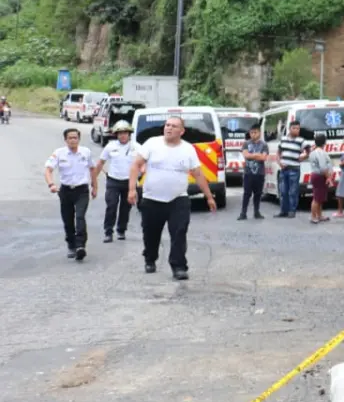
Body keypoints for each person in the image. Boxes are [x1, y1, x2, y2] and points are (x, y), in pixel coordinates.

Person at [127, 116, 217, 280]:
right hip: (152, 198)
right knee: (151, 234)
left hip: (178, 199)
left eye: (174, 126)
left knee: (179, 233)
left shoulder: (188, 149)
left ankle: (179, 266)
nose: (168, 128)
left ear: (181, 131)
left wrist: (209, 197)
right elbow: (135, 165)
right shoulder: (152, 143)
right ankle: (150, 258)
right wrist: (132, 189)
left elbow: (197, 173)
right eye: (167, 125)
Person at [44, 127, 97, 261]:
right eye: (70, 138)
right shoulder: (59, 153)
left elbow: (92, 169)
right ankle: (71, 245)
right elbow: (48, 170)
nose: (73, 140)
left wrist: (94, 186)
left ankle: (80, 246)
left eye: (75, 138)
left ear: (79, 139)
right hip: (66, 191)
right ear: (65, 140)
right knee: (68, 220)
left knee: (80, 217)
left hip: (82, 190)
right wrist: (51, 184)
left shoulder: (86, 152)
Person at [96, 120, 136, 242]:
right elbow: (100, 163)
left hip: (129, 182)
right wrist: (94, 181)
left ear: (129, 134)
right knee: (111, 206)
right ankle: (108, 232)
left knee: (126, 208)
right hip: (113, 181)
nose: (123, 135)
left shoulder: (137, 147)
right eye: (120, 133)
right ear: (116, 135)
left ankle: (121, 230)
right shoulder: (110, 146)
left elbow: (144, 164)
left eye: (125, 133)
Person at [275, 120, 306, 219]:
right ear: (289, 129)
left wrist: (303, 157)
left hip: (294, 169)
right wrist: (279, 163)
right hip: (284, 169)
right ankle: (283, 211)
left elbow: (308, 150)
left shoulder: (301, 141)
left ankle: (292, 211)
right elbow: (278, 152)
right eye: (294, 128)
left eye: (298, 128)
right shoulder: (283, 139)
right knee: (283, 191)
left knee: (293, 191)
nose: (296, 130)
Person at [238, 124, 268, 220]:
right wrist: (257, 155)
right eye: (251, 132)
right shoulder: (246, 143)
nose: (253, 134)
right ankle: (243, 213)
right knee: (247, 193)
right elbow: (246, 155)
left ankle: (256, 212)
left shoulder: (264, 144)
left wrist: (252, 155)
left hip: (260, 173)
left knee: (258, 194)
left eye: (255, 132)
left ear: (259, 132)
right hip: (248, 173)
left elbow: (263, 157)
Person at [307, 133, 333, 224]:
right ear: (324, 142)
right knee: (316, 198)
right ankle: (314, 216)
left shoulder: (313, 152)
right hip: (320, 176)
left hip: (316, 175)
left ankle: (319, 215)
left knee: (320, 197)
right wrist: (328, 178)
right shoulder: (320, 153)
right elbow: (323, 167)